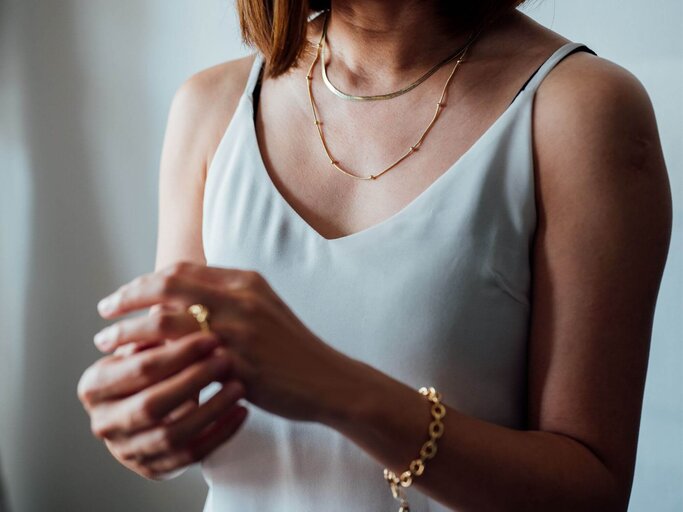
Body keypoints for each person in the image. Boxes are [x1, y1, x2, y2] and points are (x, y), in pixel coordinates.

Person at [77, 1, 673, 510]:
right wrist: (141, 429)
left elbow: (592, 491)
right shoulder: (211, 106)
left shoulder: (580, 109)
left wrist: (338, 390)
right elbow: (173, 403)